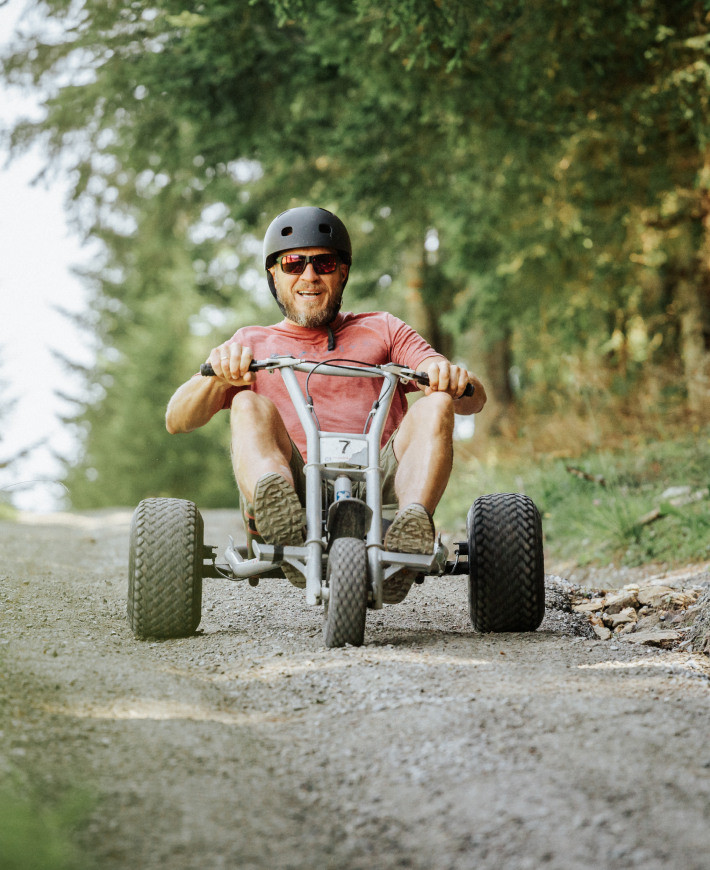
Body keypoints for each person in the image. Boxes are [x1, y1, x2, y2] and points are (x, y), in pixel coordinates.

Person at [166, 207, 487, 602]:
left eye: (324, 263)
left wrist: (448, 377)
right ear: (274, 275)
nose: (309, 275)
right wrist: (217, 376)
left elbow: (473, 400)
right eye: (293, 263)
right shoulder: (250, 342)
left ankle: (409, 531)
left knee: (437, 404)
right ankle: (280, 515)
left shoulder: (383, 328)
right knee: (248, 403)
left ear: (343, 271)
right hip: (295, 482)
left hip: (381, 481)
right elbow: (177, 419)